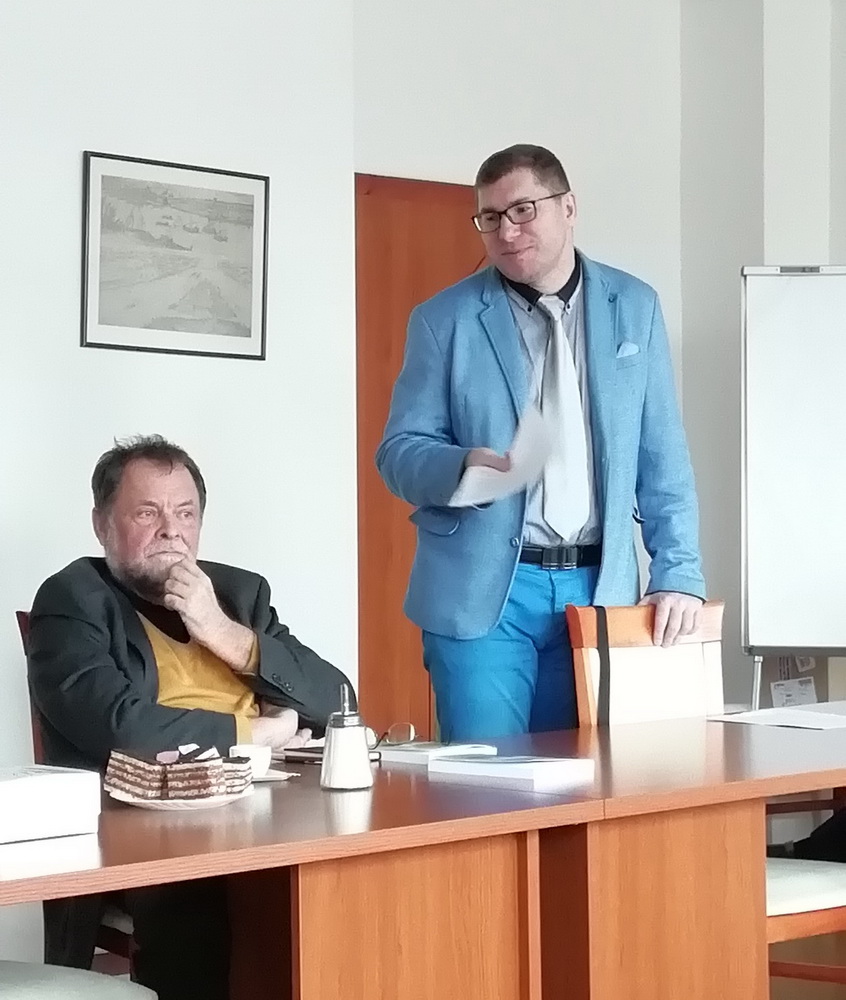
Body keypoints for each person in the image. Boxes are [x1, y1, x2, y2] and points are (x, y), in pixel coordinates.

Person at [376, 144, 705, 742]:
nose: (506, 231)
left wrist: (677, 572)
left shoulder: (635, 307)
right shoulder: (443, 320)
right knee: (484, 782)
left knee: (587, 779)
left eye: (523, 210)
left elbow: (662, 457)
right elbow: (398, 451)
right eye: (490, 217)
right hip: (483, 594)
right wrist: (462, 467)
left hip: (600, 588)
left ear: (568, 207)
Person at [27, 434, 352, 1000]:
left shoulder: (238, 594)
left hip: (273, 810)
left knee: (354, 867)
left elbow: (339, 701)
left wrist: (226, 633)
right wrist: (257, 735)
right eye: (147, 513)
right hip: (147, 828)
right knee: (197, 886)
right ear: (102, 524)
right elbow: (123, 728)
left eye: (185, 513)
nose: (171, 530)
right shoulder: (72, 600)